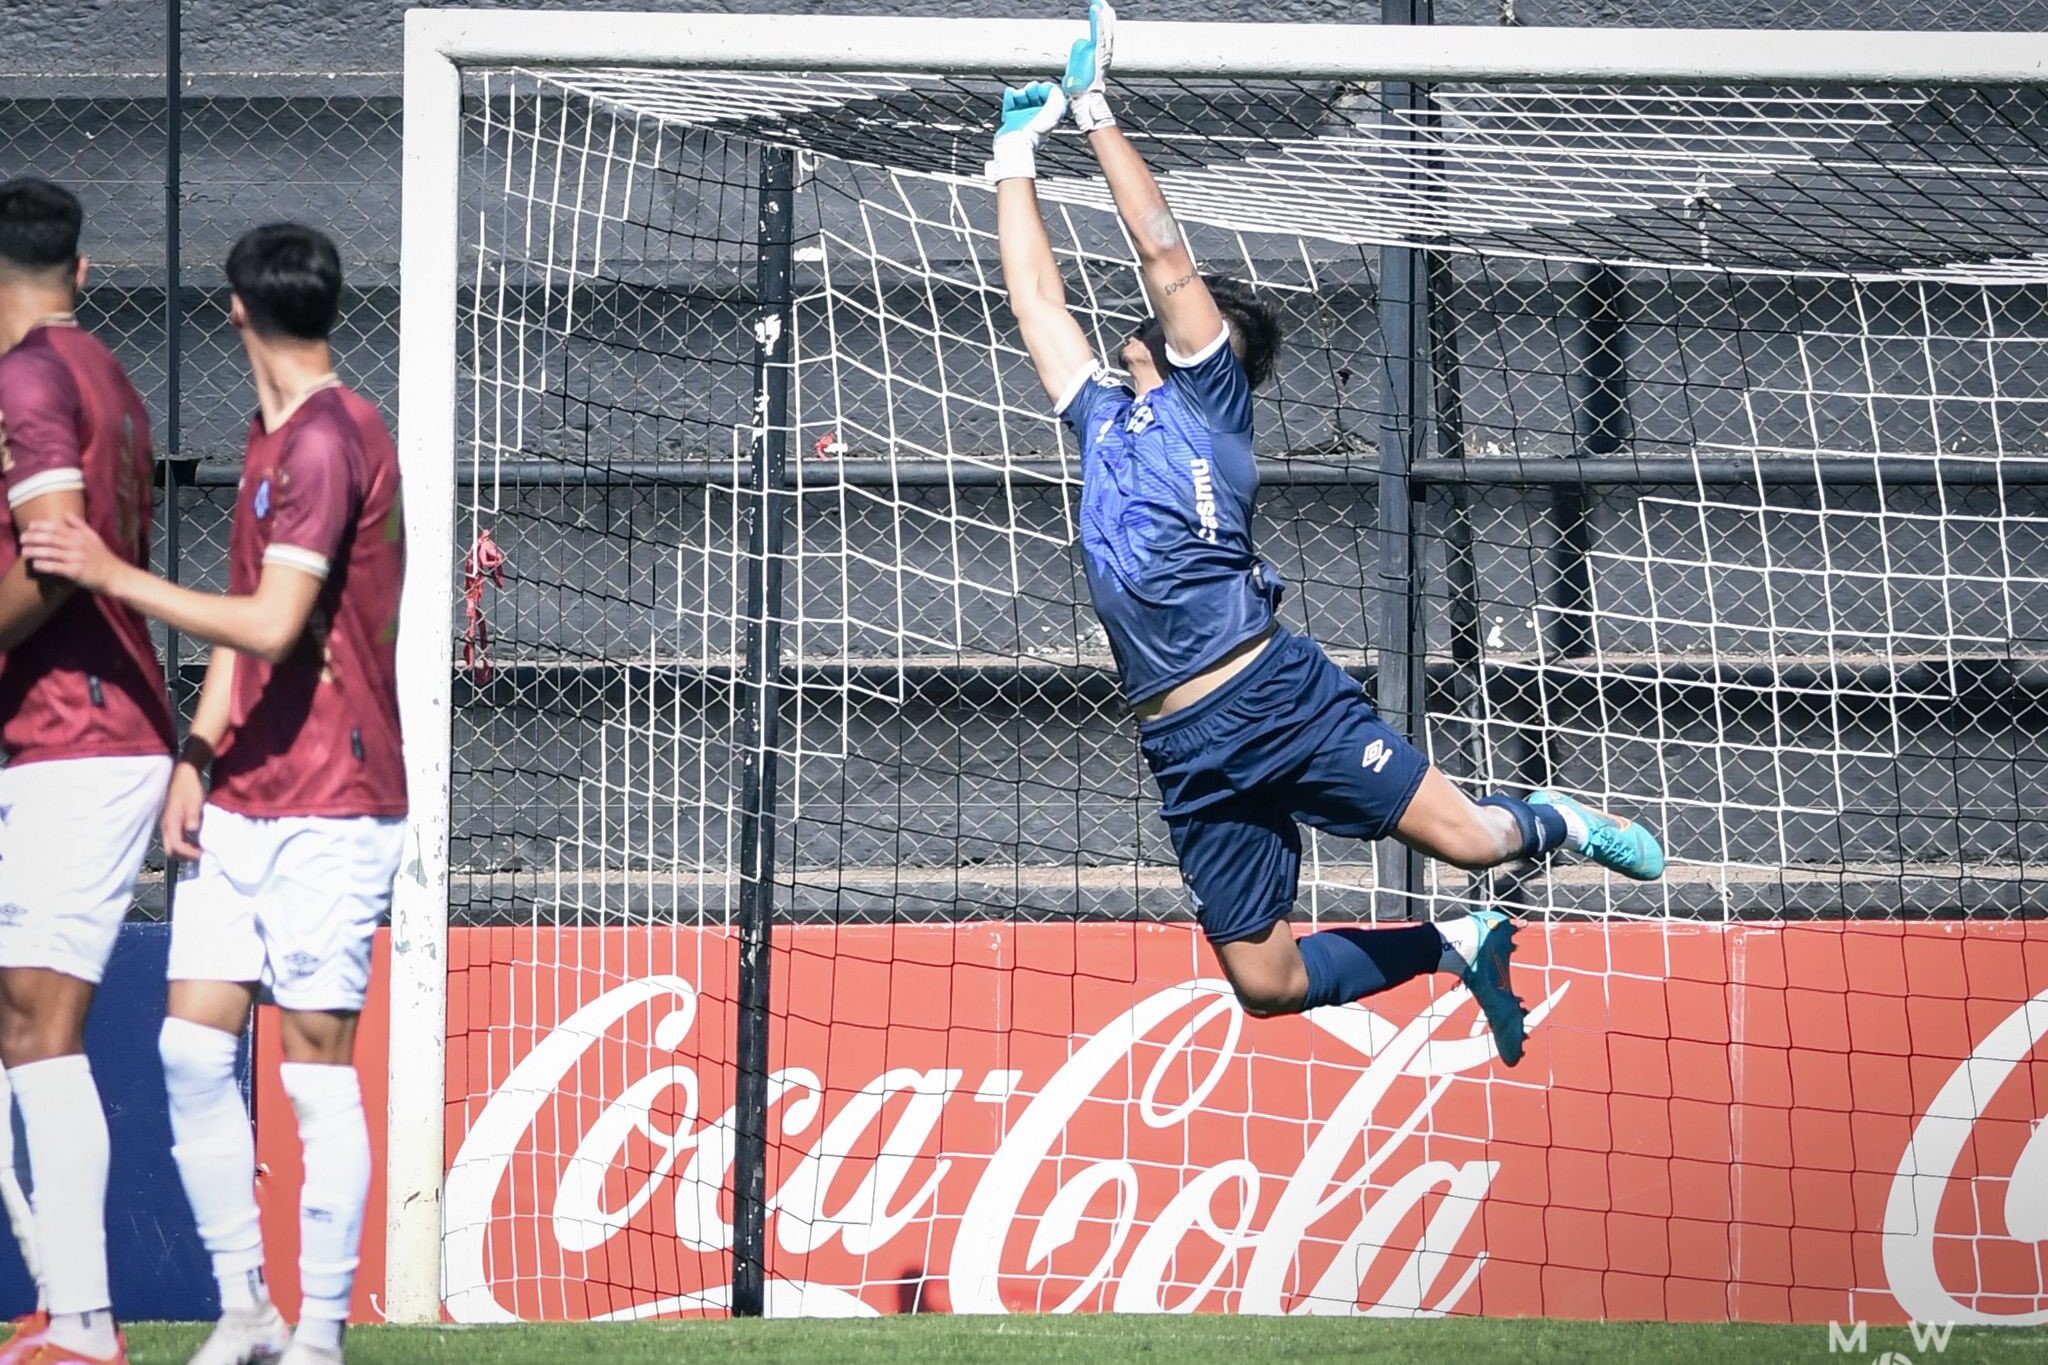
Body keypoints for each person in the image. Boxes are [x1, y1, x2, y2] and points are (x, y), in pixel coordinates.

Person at [991, 3, 1665, 1063]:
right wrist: (1011, 157)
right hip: (1182, 742)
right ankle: (1451, 944)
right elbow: (1035, 303)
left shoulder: (1207, 401)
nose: (1163, 308)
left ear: (1209, 337)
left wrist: (1093, 115)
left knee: (1470, 841)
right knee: (1263, 984)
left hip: (1271, 696)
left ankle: (1554, 820)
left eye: (1188, 311)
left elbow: (1164, 252)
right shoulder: (1101, 418)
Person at [24, 223, 404, 1365]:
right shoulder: (271, 435)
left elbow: (275, 625)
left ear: (233, 310)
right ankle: (247, 1308)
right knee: (193, 1052)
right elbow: (246, 630)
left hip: (335, 801)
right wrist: (196, 756)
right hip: (243, 795)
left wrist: (109, 573)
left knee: (313, 1068)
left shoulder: (335, 439)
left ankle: (321, 1336)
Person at [0, 176, 177, 1365]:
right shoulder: (105, 374)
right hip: (71, 733)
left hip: (82, 733)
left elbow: (57, 555)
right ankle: (64, 1301)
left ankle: (85, 1323)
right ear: (83, 268)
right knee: (23, 1015)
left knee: (39, 1018)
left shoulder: (27, 379)